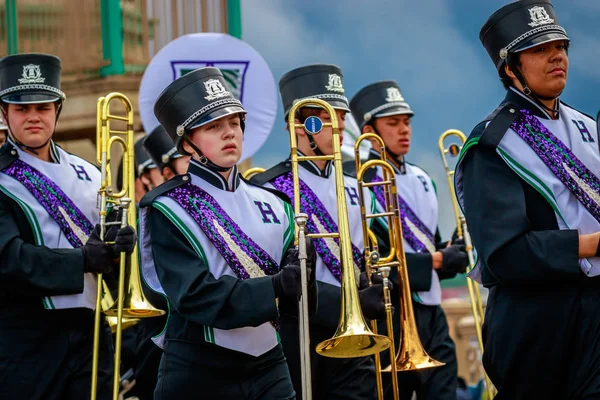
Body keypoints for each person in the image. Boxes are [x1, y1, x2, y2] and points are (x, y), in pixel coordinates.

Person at [138, 66, 316, 400]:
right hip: (198, 370)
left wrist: (303, 273)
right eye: (213, 126)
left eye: (234, 122)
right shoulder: (167, 208)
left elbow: (295, 302)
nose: (229, 133)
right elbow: (195, 296)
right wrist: (276, 285)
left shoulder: (276, 204)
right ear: (188, 142)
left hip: (269, 365)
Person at [455, 1, 600, 398]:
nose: (557, 55)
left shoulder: (589, 126)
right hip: (537, 324)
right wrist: (591, 244)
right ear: (509, 68)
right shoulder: (494, 144)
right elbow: (503, 255)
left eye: (561, 46)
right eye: (539, 49)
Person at [0, 53, 136, 400]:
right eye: (21, 108)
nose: (33, 117)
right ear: (4, 113)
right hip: (26, 339)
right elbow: (8, 259)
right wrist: (82, 261)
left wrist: (119, 249)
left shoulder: (91, 173)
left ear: (57, 109)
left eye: (43, 107)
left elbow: (106, 258)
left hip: (91, 334)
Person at [251, 64, 390, 400]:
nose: (342, 123)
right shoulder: (266, 189)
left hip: (355, 336)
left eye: (341, 114)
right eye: (328, 115)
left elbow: (374, 250)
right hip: (297, 332)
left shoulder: (359, 184)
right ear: (302, 125)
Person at [348, 80, 467, 400]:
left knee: (444, 391)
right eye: (393, 123)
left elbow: (430, 246)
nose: (404, 130)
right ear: (369, 130)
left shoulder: (424, 179)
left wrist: (452, 251)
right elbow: (373, 257)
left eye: (407, 122)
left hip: (431, 310)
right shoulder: (361, 181)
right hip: (389, 313)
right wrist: (438, 260)